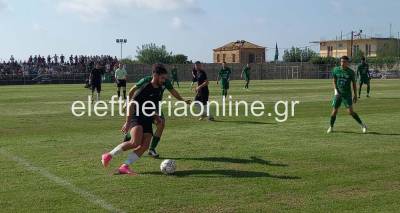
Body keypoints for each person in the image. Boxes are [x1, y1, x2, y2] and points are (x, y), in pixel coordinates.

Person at [101, 64, 167, 175]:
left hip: (148, 118)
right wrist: (127, 122)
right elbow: (131, 104)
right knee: (134, 142)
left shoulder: (160, 89)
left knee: (145, 145)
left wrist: (156, 116)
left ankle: (124, 166)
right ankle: (108, 155)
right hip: (136, 117)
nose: (164, 80)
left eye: (165, 78)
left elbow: (152, 105)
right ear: (155, 75)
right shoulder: (146, 87)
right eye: (162, 78)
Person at [124, 68, 191, 158]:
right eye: (161, 76)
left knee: (161, 123)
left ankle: (151, 149)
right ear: (156, 75)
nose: (163, 79)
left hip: (155, 107)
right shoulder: (146, 80)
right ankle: (130, 135)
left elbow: (173, 91)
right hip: (141, 106)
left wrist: (182, 100)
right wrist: (127, 102)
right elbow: (132, 90)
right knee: (142, 124)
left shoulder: (166, 82)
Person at [327, 56, 367, 134]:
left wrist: (355, 95)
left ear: (347, 63)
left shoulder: (351, 72)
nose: (342, 63)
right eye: (341, 61)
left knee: (350, 112)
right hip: (338, 94)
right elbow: (334, 81)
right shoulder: (336, 70)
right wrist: (335, 90)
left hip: (347, 95)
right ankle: (331, 127)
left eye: (344, 62)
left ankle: (363, 125)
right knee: (334, 112)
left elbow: (354, 84)